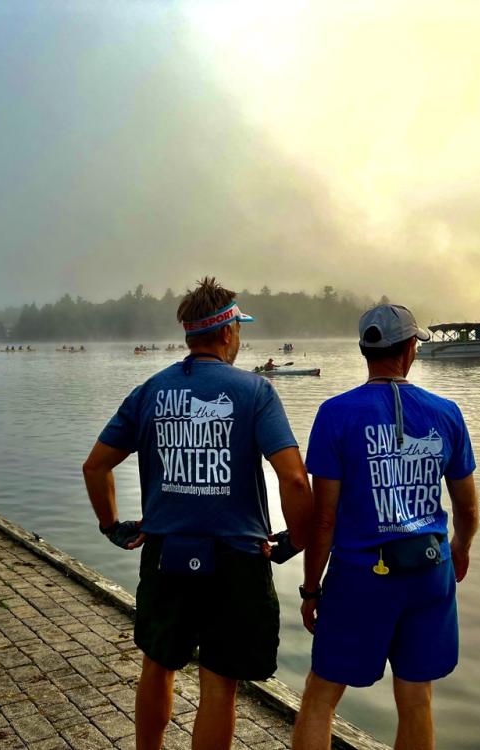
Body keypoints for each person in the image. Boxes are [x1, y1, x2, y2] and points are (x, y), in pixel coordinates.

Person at [82, 276, 313, 750]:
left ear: (190, 334)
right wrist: (297, 539)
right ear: (228, 333)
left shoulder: (150, 391)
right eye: (239, 330)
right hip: (237, 558)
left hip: (166, 553)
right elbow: (292, 479)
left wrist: (112, 526)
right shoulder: (254, 392)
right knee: (219, 682)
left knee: (158, 664)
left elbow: (96, 466)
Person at [292, 304, 480, 750]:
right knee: (416, 697)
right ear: (411, 348)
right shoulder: (446, 413)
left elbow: (324, 518)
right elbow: (467, 508)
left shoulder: (336, 414)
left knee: (321, 696)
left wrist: (311, 587)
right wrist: (461, 547)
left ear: (364, 350)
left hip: (360, 578)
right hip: (430, 570)